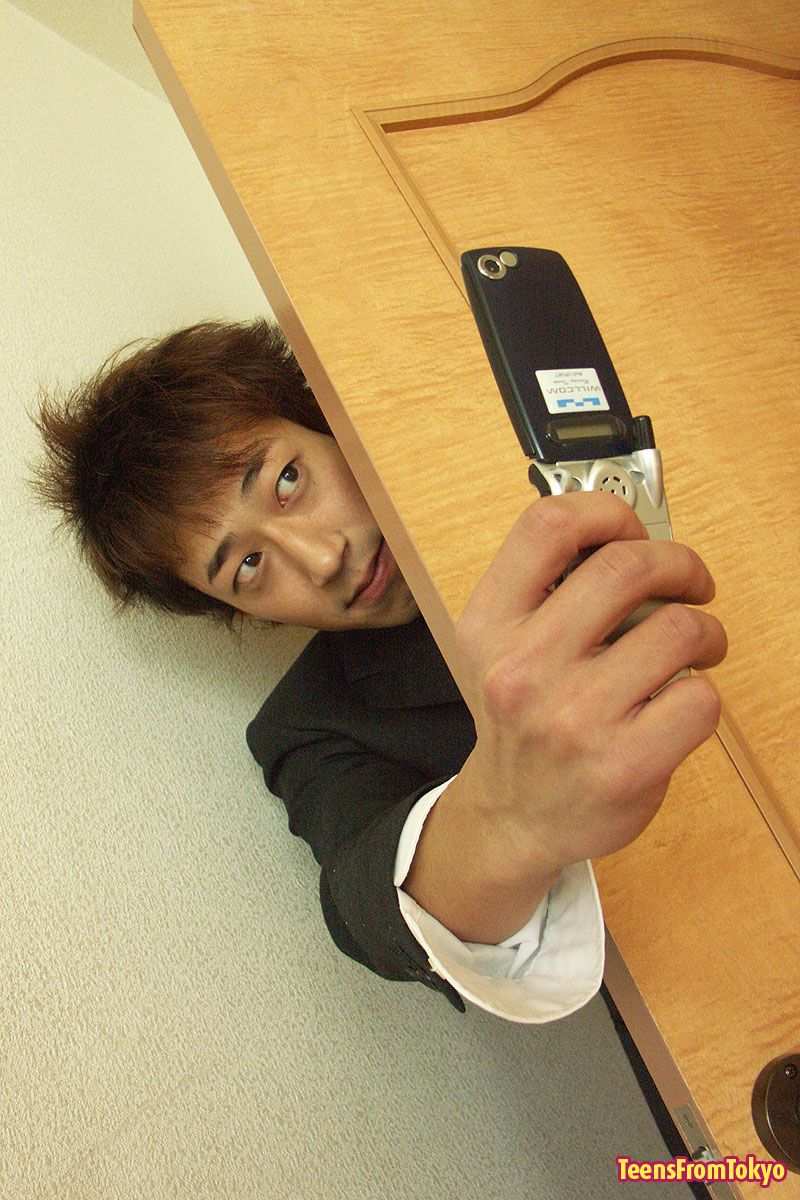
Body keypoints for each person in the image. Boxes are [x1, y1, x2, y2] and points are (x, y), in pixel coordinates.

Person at [31, 318, 727, 1021]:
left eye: (288, 480)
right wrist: (514, 821)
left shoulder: (485, 434)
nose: (321, 557)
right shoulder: (308, 728)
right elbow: (367, 905)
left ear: (325, 419)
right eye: (248, 566)